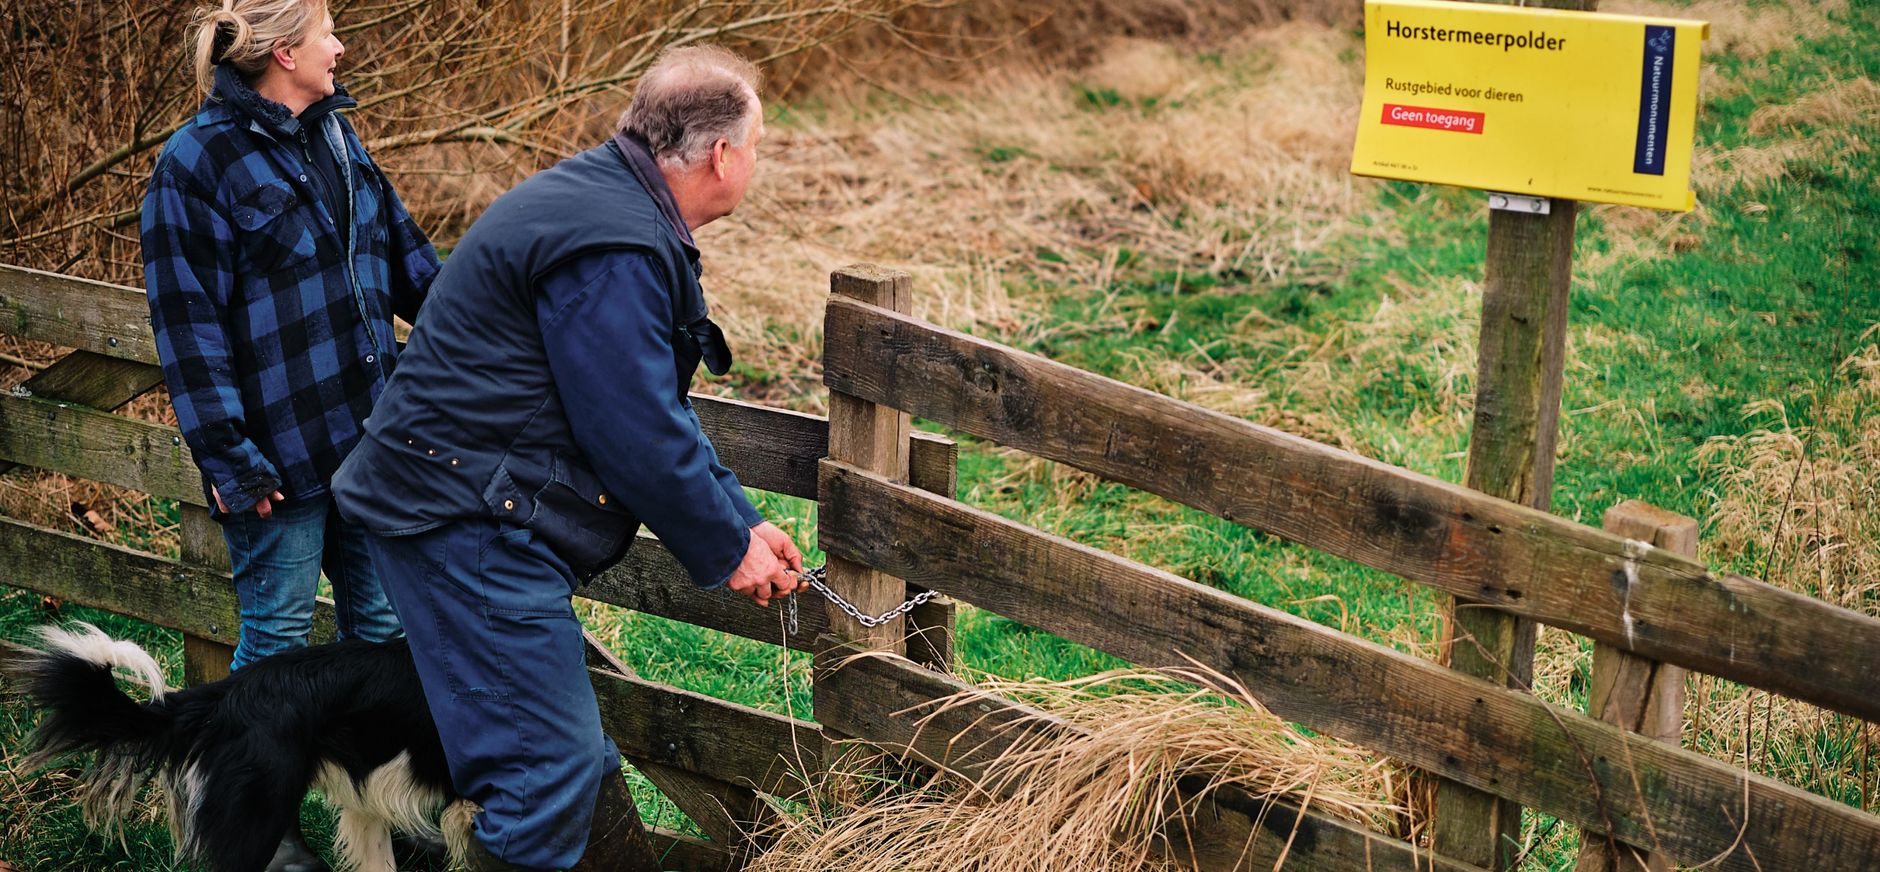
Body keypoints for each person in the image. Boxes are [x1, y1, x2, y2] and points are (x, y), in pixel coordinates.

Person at [330, 45, 803, 871]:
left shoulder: (607, 204)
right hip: (463, 520)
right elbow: (630, 426)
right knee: (546, 772)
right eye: (758, 145)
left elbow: (652, 405)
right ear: (722, 155)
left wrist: (741, 518)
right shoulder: (615, 241)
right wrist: (727, 549)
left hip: (460, 500)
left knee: (555, 761)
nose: (756, 162)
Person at [140, 0, 439, 868]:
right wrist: (232, 457)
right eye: (327, 32)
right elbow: (187, 329)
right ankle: (255, 842)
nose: (341, 45)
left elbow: (414, 265)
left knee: (381, 637)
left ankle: (387, 825)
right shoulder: (196, 164)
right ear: (280, 52)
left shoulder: (339, 139)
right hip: (276, 465)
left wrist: (512, 322)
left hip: (371, 453)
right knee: (272, 648)